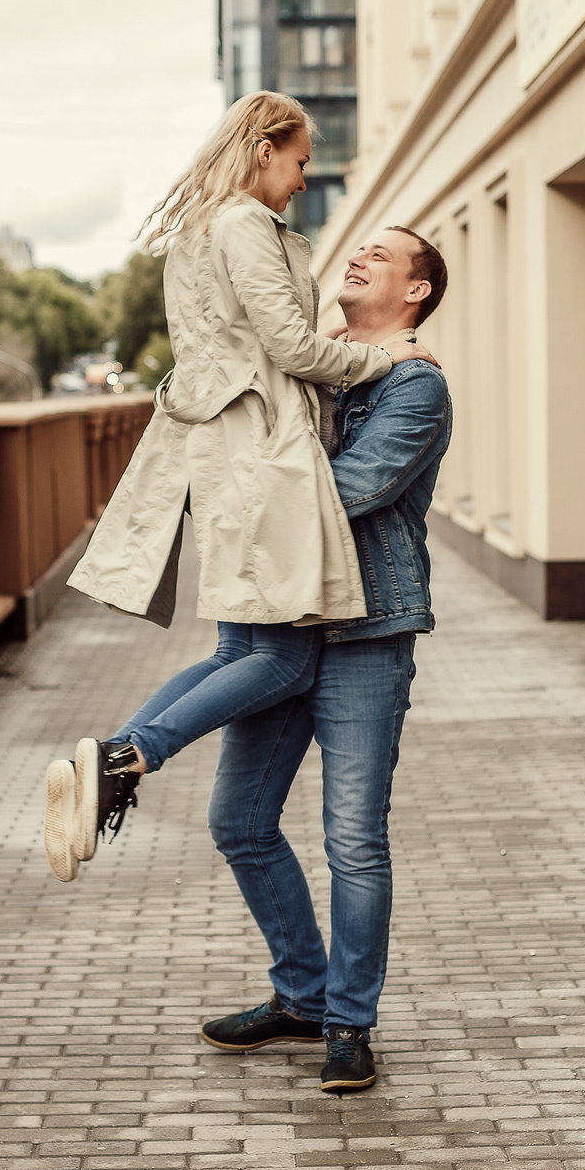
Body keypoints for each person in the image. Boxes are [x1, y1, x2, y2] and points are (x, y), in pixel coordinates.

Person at [44, 92, 435, 881]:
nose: (303, 181)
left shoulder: (201, 231)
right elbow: (288, 349)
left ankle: (110, 763)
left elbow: (248, 347)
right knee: (281, 662)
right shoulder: (245, 224)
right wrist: (383, 356)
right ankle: (127, 755)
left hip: (226, 462)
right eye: (299, 162)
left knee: (239, 652)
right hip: (265, 463)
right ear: (265, 150)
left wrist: (322, 346)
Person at [196, 225, 451, 1094]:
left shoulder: (415, 385)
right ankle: (302, 994)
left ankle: (347, 1021)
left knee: (354, 841)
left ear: (415, 291)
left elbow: (350, 489)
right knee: (239, 821)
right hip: (283, 626)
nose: (359, 257)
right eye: (359, 250)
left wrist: (238, 494)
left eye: (382, 254)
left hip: (366, 634)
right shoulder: (317, 366)